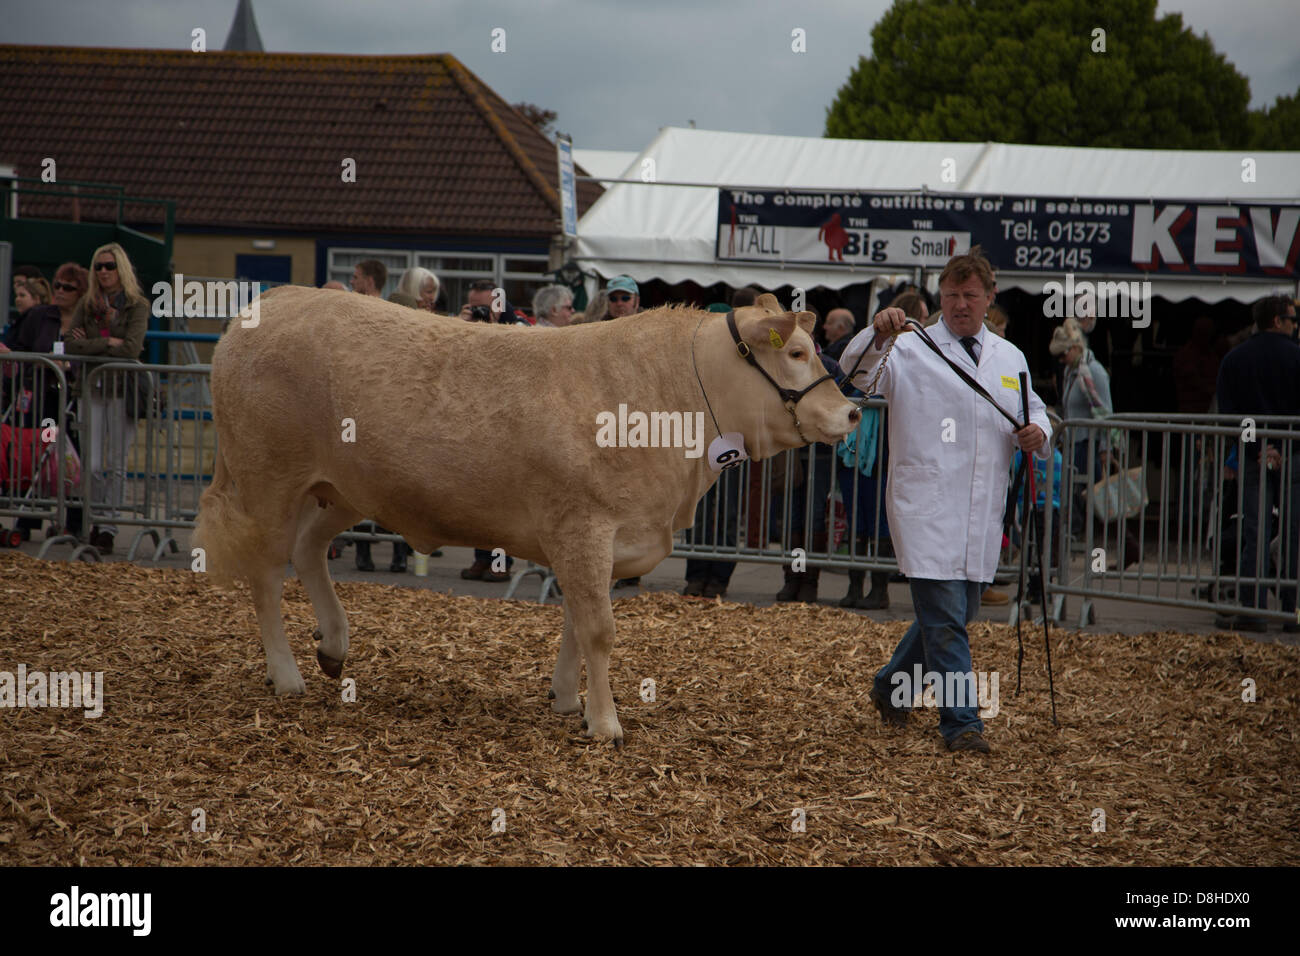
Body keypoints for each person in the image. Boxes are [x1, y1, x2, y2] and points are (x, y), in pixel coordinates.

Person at [839, 248, 1050, 754]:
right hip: (926, 505)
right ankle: (961, 724)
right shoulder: (910, 349)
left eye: (970, 295)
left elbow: (1036, 409)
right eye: (951, 295)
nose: (960, 304)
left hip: (980, 511)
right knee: (948, 617)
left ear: (988, 297)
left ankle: (893, 687)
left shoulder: (1010, 356)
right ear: (940, 297)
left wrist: (1036, 432)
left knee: (957, 611)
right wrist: (878, 332)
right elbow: (855, 376)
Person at [1214, 294, 1300, 633]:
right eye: (1293, 320)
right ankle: (1293, 613)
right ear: (1278, 321)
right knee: (1292, 533)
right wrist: (1280, 445)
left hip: (1253, 456)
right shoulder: (1297, 357)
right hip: (1293, 454)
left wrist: (1260, 448)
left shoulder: (1235, 359)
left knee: (1256, 531)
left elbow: (1229, 414)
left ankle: (1254, 611)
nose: (1295, 327)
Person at [61, 242, 150, 556]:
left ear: (120, 268)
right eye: (98, 266)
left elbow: (131, 349)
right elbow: (70, 344)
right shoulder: (87, 304)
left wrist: (96, 342)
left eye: (109, 265)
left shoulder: (136, 304)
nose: (103, 271)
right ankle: (94, 520)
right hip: (91, 389)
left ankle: (109, 527)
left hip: (120, 391)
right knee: (94, 464)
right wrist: (108, 341)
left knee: (116, 464)